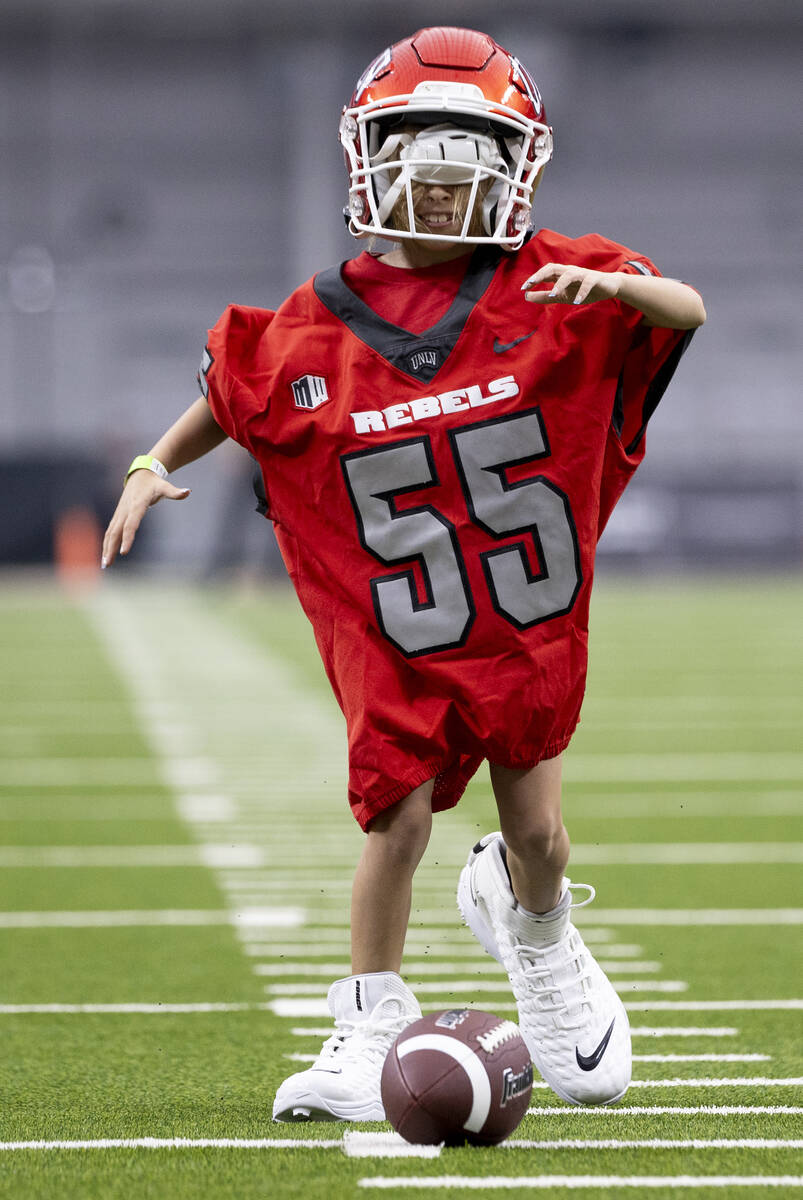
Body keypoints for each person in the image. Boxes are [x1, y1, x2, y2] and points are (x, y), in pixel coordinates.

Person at [102, 26, 705, 1121]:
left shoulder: (554, 285)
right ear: (371, 157)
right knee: (395, 821)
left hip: (520, 624)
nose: (440, 180)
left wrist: (621, 298)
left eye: (468, 153)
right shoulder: (313, 324)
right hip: (406, 628)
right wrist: (152, 463)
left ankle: (538, 932)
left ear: (511, 168)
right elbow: (235, 393)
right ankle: (366, 1021)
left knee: (535, 837)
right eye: (421, 153)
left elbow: (687, 309)